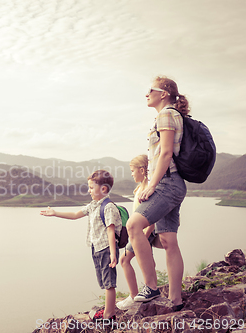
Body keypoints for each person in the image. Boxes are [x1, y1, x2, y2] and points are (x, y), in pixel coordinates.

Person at [126, 76, 188, 311]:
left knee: (133, 225)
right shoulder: (171, 114)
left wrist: (152, 184)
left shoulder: (166, 114)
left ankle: (151, 286)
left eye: (150, 90)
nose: (146, 94)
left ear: (163, 94)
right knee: (168, 241)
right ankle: (175, 300)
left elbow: (165, 153)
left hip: (167, 184)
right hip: (173, 183)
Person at [40, 170, 122, 322]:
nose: (89, 190)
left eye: (91, 187)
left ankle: (109, 315)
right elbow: (76, 215)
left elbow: (111, 231)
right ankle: (107, 310)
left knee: (109, 283)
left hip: (106, 249)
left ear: (103, 189)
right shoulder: (93, 205)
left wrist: (112, 254)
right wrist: (55, 213)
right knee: (104, 282)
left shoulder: (108, 207)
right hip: (96, 248)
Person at [116, 154, 162, 310]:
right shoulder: (141, 187)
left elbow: (153, 214)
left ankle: (133, 296)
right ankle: (151, 291)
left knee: (124, 260)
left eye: (132, 170)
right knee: (149, 262)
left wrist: (146, 234)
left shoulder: (149, 187)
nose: (131, 174)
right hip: (139, 232)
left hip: (142, 233)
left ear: (142, 170)